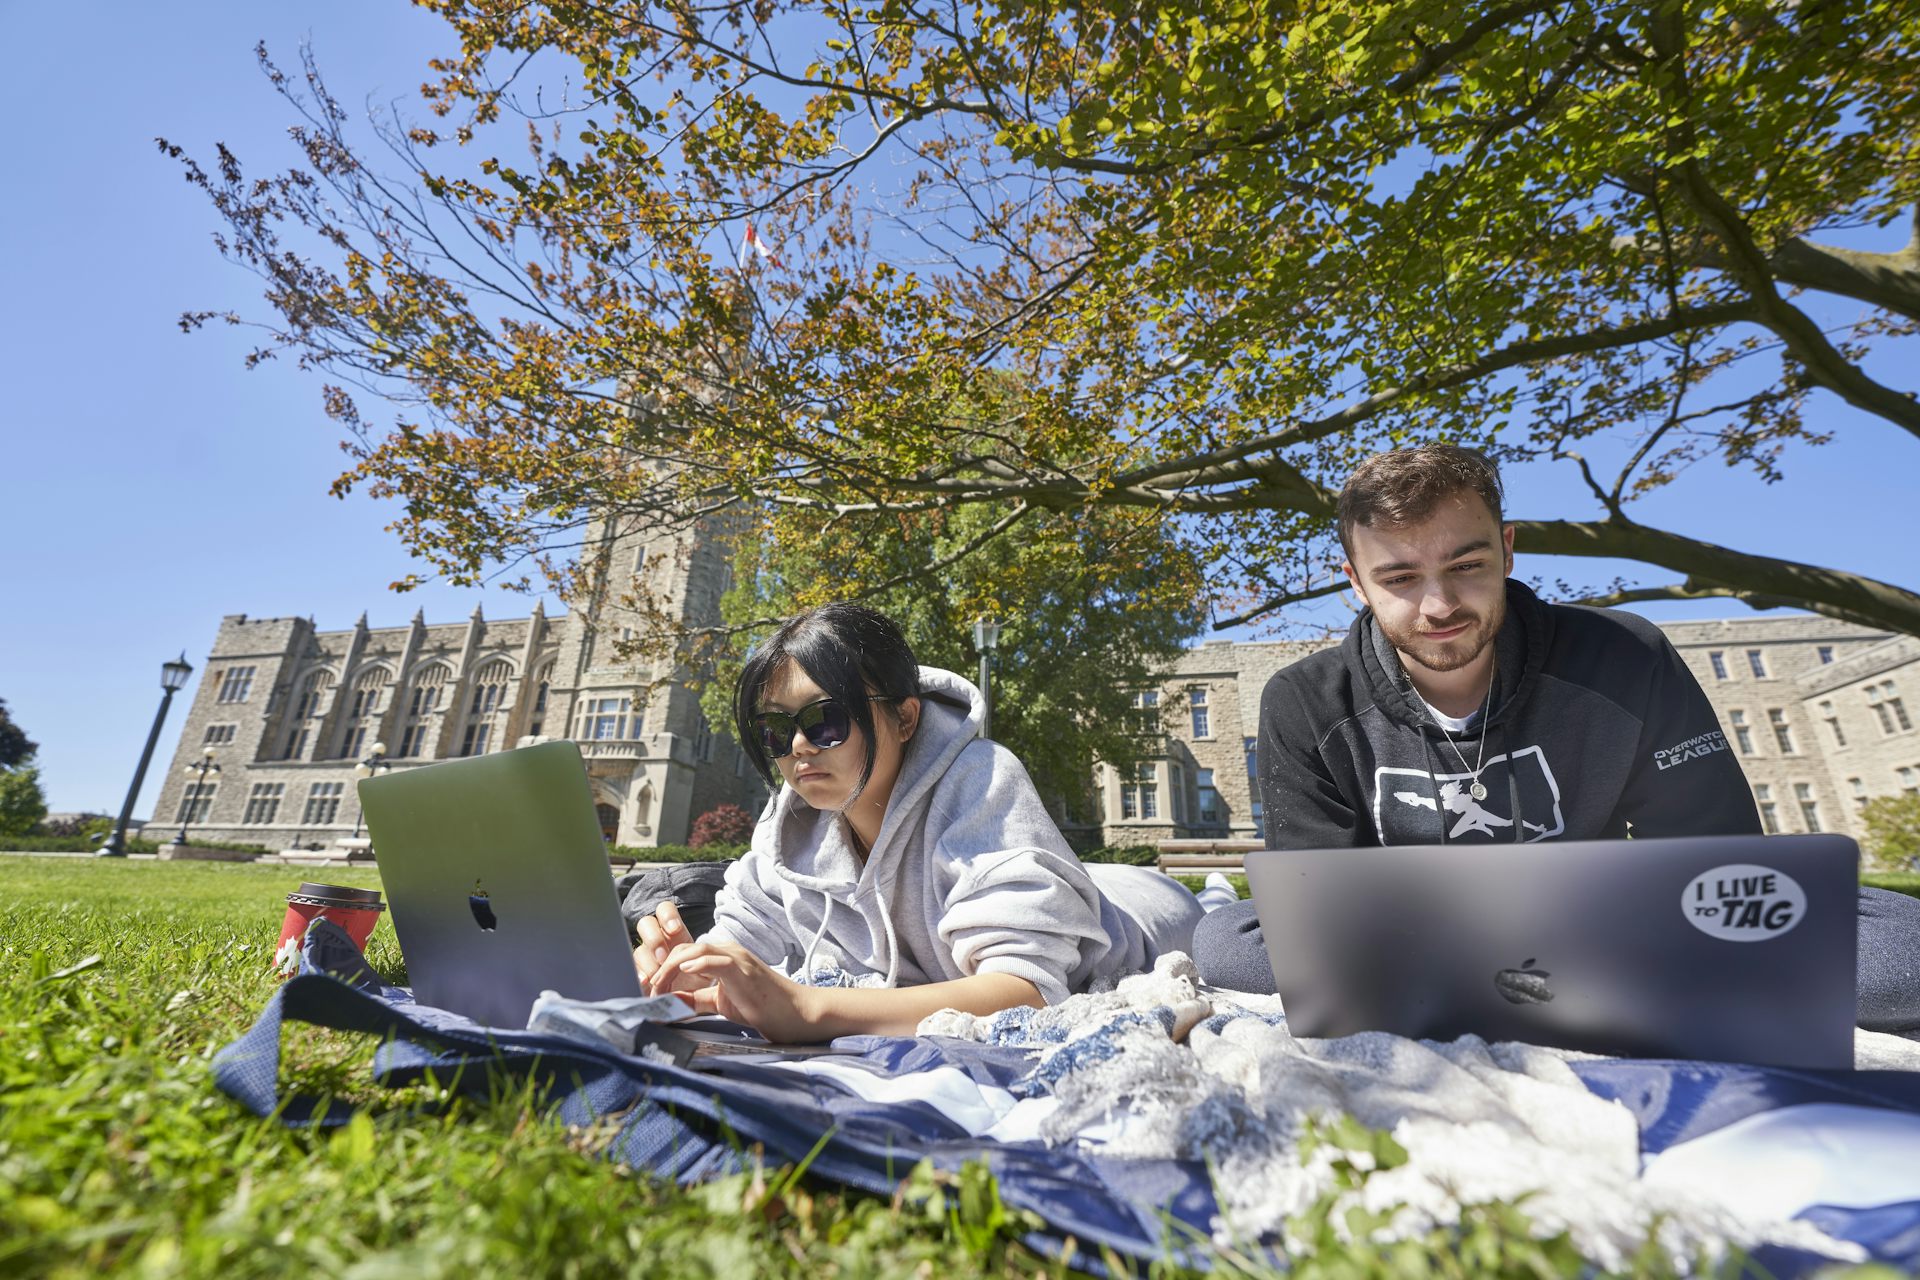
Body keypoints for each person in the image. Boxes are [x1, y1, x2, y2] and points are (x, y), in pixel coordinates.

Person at [1192, 444, 1920, 1034]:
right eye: (1401, 577)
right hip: (1438, 940)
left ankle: (1521, 995)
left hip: (1606, 928)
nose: (1440, 605)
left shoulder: (1624, 657)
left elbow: (1720, 863)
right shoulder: (1306, 701)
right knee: (1227, 944)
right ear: (1356, 582)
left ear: (1508, 550)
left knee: (1897, 955)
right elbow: (1318, 917)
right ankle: (1583, 997)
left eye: (1467, 566)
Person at [631, 601, 1203, 1042]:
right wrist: (688, 968)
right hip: (1063, 889)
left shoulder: (981, 778)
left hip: (1152, 910)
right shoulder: (791, 819)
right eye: (775, 730)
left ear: (904, 717)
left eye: (825, 719)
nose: (798, 747)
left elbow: (1027, 990)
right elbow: (741, 940)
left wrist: (811, 1009)